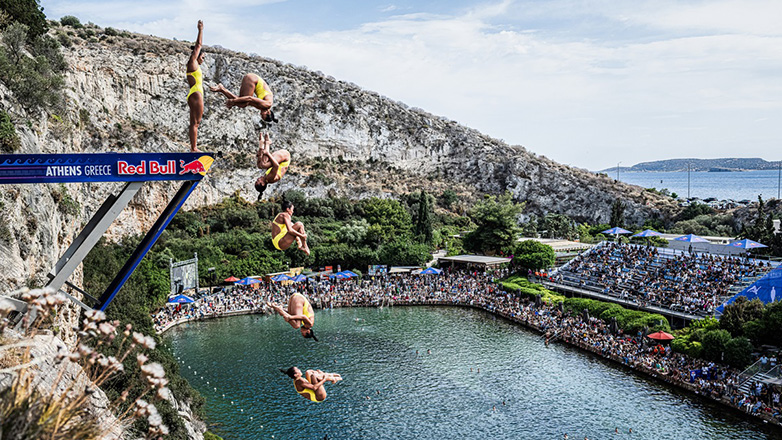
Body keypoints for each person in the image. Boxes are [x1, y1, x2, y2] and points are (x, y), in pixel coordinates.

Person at [210, 73, 277, 123]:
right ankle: (221, 88)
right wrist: (233, 101)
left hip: (251, 79)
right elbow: (250, 98)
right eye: (263, 115)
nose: (260, 114)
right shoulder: (267, 104)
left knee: (242, 103)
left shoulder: (261, 107)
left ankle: (221, 89)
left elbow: (246, 102)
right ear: (268, 112)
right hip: (253, 79)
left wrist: (234, 103)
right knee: (242, 103)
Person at [186, 20, 205, 152]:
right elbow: (198, 45)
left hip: (193, 93)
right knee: (196, 123)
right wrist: (201, 30)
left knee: (194, 123)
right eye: (202, 57)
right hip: (196, 93)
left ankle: (193, 147)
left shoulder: (194, 66)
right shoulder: (193, 62)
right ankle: (194, 148)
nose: (203, 59)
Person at [254, 132, 290, 197]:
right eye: (258, 181)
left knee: (260, 165)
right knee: (263, 165)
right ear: (262, 184)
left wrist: (260, 156)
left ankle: (262, 144)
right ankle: (266, 143)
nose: (258, 179)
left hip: (280, 157)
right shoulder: (270, 178)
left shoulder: (266, 177)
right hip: (285, 157)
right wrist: (267, 153)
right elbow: (276, 166)